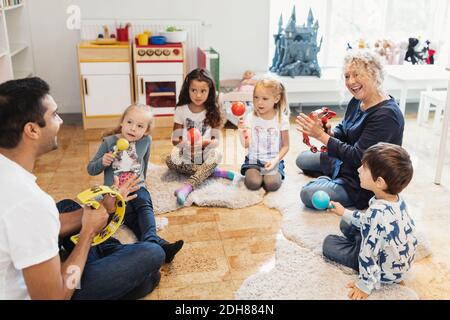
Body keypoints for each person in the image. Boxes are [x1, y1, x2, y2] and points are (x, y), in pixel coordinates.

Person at [0, 77, 164, 300]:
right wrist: (88, 233)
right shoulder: (29, 203)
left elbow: (37, 224)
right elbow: (56, 297)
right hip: (57, 291)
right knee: (152, 255)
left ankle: (105, 265)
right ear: (32, 130)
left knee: (67, 206)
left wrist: (104, 209)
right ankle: (118, 271)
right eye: (54, 115)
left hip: (33, 267)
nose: (61, 122)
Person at [296, 50, 404, 210]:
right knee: (302, 159)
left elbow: (358, 157)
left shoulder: (387, 116)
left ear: (374, 74)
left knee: (307, 194)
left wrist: (320, 136)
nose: (351, 81)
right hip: (345, 163)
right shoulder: (358, 100)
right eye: (347, 76)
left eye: (357, 74)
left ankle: (332, 180)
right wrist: (329, 133)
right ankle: (332, 178)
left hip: (364, 180)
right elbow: (345, 130)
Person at [87, 104, 183, 263]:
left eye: (139, 126)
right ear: (122, 122)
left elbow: (144, 164)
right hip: (114, 193)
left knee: (144, 207)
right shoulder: (109, 142)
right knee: (130, 217)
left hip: (137, 186)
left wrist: (143, 183)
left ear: (146, 130)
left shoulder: (145, 141)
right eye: (129, 122)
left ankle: (151, 241)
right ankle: (160, 246)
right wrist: (102, 162)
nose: (133, 128)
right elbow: (91, 169)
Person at [323, 142, 417, 300]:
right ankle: (356, 236)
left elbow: (369, 253)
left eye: (364, 168)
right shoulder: (397, 201)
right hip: (395, 256)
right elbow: (370, 221)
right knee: (346, 221)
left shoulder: (376, 213)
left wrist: (365, 285)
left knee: (329, 243)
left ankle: (357, 252)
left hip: (384, 270)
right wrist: (344, 212)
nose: (359, 170)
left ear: (379, 182)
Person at [165, 68, 235, 206]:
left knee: (217, 155)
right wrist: (185, 144)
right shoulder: (181, 110)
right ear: (187, 90)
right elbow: (175, 139)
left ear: (210, 92)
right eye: (194, 90)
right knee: (169, 160)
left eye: (203, 91)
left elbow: (216, 141)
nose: (198, 95)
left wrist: (203, 142)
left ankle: (188, 187)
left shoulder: (213, 110)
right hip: (187, 153)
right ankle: (212, 172)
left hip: (206, 153)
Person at [238, 78, 290, 192]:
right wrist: (242, 131)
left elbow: (286, 146)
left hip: (273, 160)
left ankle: (269, 175)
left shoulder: (282, 118)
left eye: (265, 98)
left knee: (272, 184)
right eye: (256, 97)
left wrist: (275, 160)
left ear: (276, 99)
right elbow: (246, 144)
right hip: (253, 160)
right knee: (253, 183)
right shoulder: (250, 117)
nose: (259, 102)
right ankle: (257, 174)